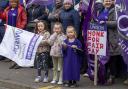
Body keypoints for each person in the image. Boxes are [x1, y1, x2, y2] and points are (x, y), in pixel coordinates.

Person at [0, 0, 27, 69]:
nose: (13, 3)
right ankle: (13, 61)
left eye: (15, 2)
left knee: (18, 46)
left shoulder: (21, 9)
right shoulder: (7, 9)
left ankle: (18, 62)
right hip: (9, 31)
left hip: (17, 31)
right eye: (11, 2)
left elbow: (24, 19)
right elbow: (3, 17)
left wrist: (20, 28)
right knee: (12, 46)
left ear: (17, 3)